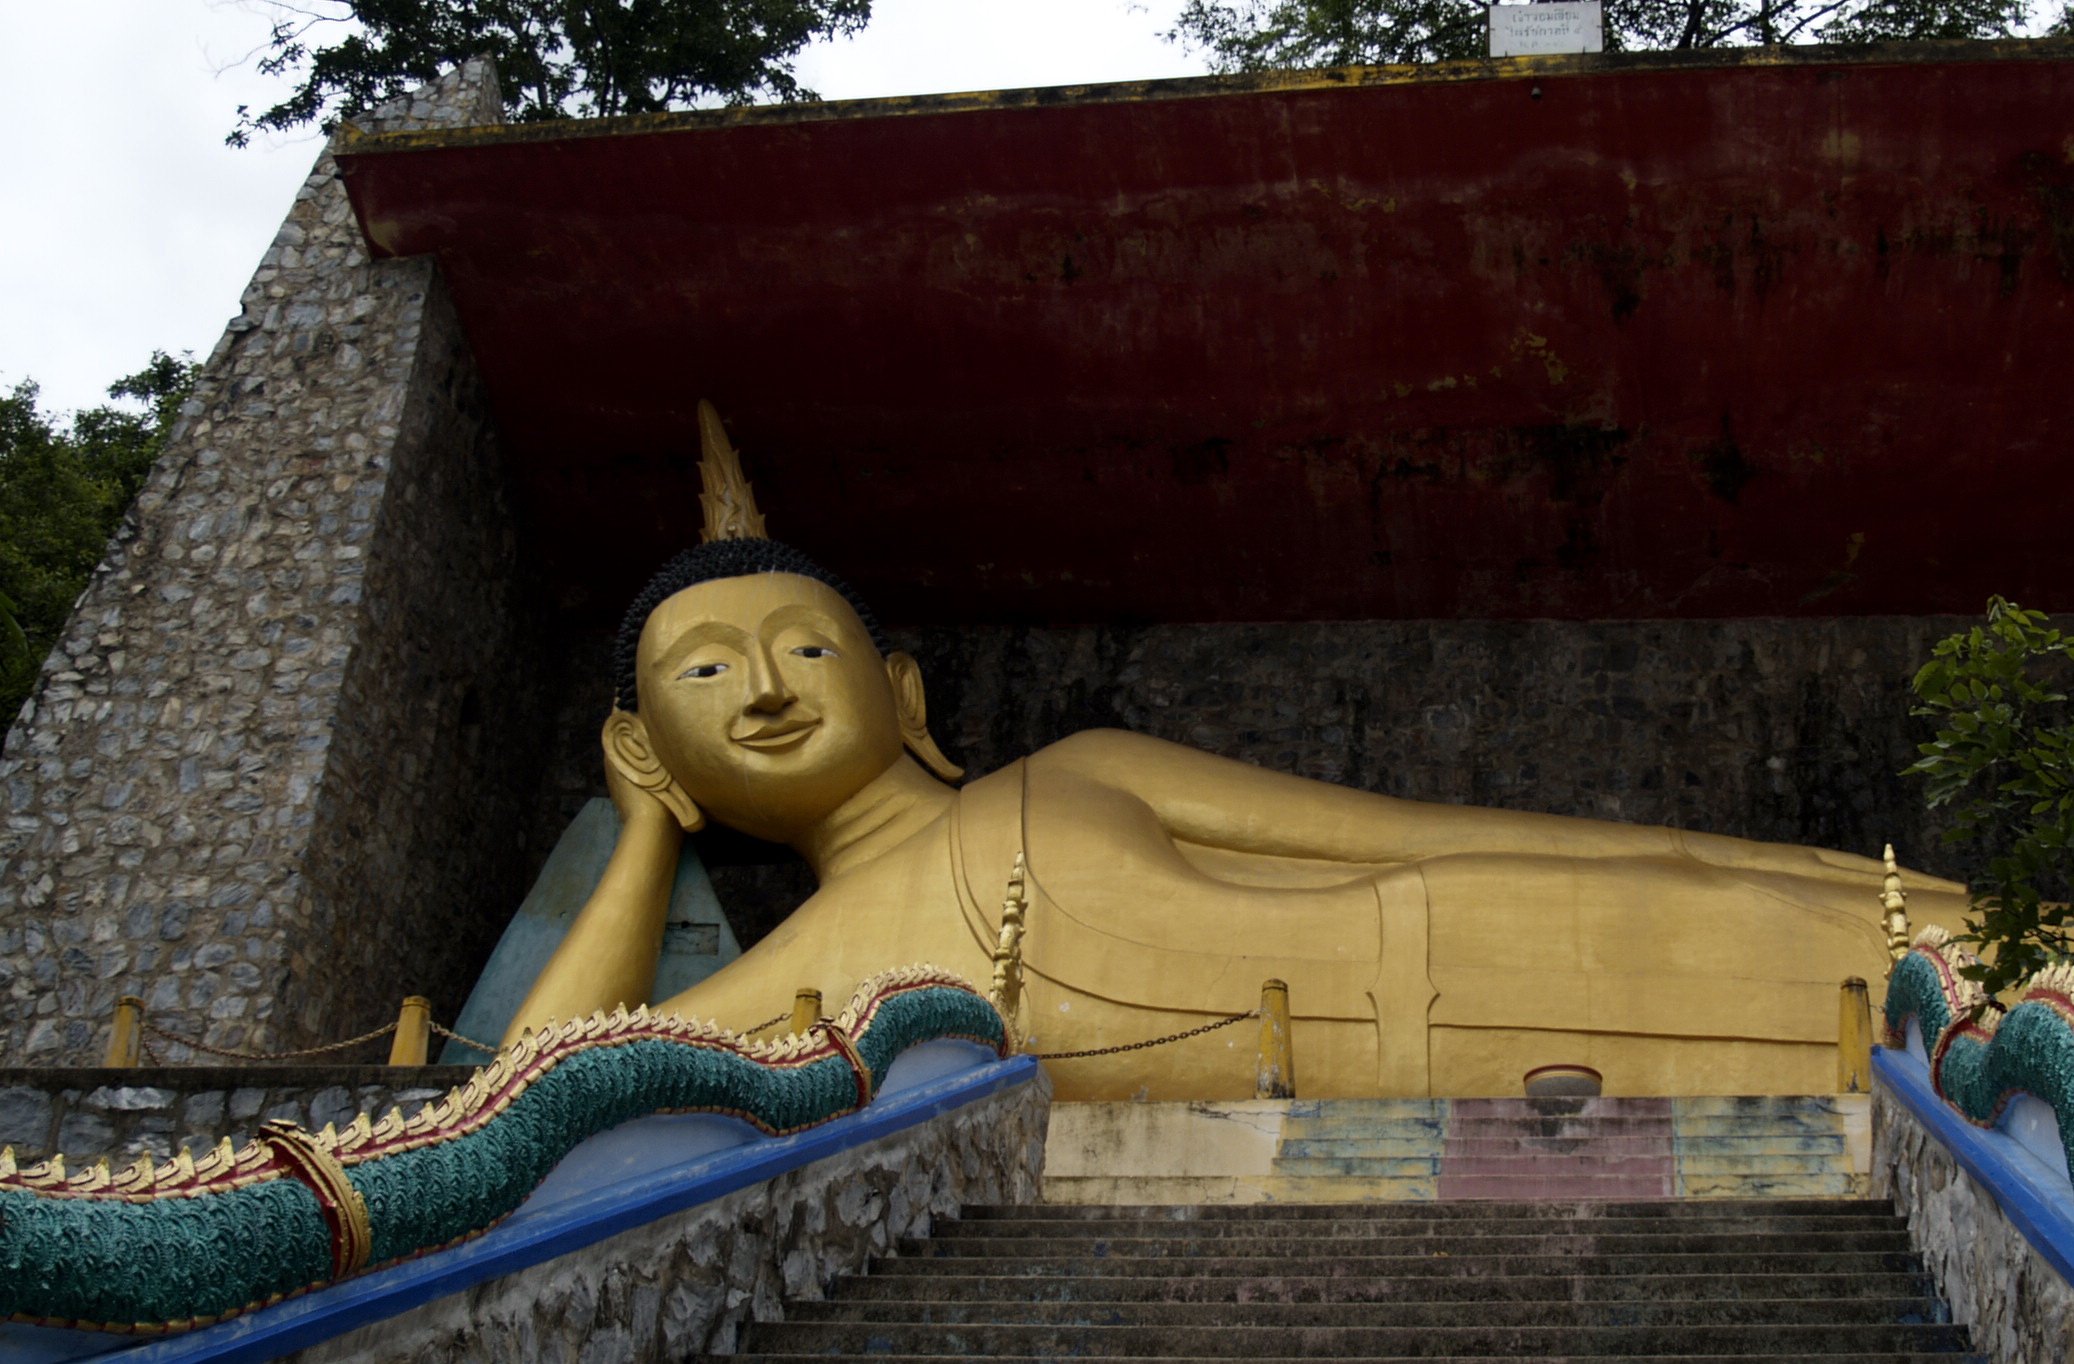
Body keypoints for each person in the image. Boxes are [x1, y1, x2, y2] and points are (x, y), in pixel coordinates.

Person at [509, 419, 1970, 1100]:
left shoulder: (1068, 772)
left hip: (1499, 932)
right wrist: (647, 829)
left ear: (900, 685)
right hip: (1442, 1063)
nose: (764, 687)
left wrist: (1746, 856)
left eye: (805, 647)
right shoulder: (820, 969)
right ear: (648, 740)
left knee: (1925, 945)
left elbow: (1417, 833)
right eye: (704, 676)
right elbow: (530, 1095)